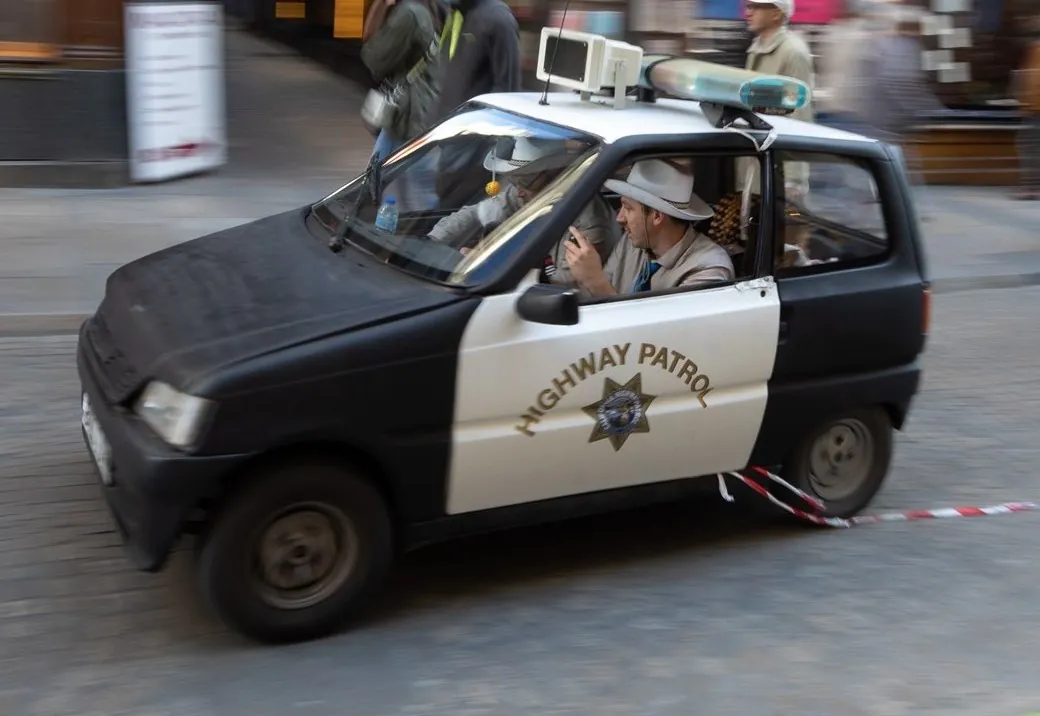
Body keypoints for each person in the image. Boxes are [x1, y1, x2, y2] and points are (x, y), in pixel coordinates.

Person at [428, 138, 618, 285]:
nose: (518, 190)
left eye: (525, 182)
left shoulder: (589, 222)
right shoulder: (525, 193)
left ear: (556, 175)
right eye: (515, 181)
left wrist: (490, 266)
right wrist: (432, 242)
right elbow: (474, 214)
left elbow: (567, 281)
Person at [564, 159, 734, 300]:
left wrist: (595, 281)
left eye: (628, 208)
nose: (619, 218)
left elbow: (662, 336)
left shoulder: (708, 269)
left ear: (657, 216)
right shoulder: (632, 243)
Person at [426, 0, 522, 207]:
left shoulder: (497, 19)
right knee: (445, 208)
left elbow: (508, 89)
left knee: (455, 210)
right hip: (448, 136)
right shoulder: (458, 12)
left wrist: (479, 136)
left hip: (472, 145)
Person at [361, 0, 447, 161]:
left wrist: (379, 6)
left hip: (410, 118)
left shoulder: (409, 13)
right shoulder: (425, 9)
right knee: (376, 178)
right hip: (412, 115)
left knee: (409, 178)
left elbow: (374, 58)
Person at [744, 0, 814, 124]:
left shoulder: (793, 52)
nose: (748, 13)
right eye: (748, 6)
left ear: (776, 13)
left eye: (756, 7)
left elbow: (799, 114)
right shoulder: (756, 48)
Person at [1013, 26, 1040, 200]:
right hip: (1033, 109)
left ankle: (1033, 187)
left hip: (1036, 110)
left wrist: (1027, 104)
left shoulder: (1037, 52)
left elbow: (1034, 81)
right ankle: (1032, 186)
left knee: (1030, 148)